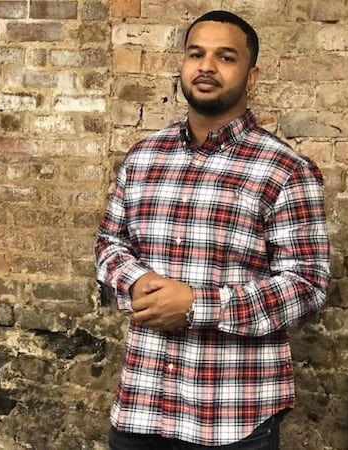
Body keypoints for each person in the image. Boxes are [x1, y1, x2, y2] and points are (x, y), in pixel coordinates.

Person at [95, 10, 330, 450]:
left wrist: (197, 306)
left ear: (251, 75)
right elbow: (110, 244)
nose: (206, 66)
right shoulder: (144, 157)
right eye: (196, 54)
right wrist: (136, 281)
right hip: (143, 405)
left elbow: (307, 285)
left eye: (225, 57)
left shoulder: (285, 170)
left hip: (232, 417)